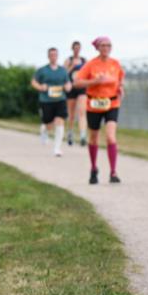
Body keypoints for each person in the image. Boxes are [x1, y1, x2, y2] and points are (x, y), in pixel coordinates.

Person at [73, 36, 124, 184]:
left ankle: (113, 172)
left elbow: (120, 79)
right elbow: (77, 83)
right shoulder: (90, 65)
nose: (106, 48)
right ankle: (94, 168)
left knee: (110, 137)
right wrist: (94, 81)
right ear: (97, 47)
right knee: (93, 137)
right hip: (94, 104)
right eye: (103, 45)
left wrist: (121, 87)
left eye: (109, 45)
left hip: (112, 103)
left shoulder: (115, 64)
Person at [31, 47, 71, 157]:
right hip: (46, 100)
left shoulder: (62, 70)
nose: (53, 56)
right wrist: (40, 87)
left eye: (55, 54)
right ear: (48, 56)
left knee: (60, 121)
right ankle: (44, 130)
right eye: (51, 55)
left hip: (60, 99)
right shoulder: (43, 70)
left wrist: (68, 86)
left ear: (57, 56)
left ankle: (57, 148)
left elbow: (68, 83)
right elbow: (33, 82)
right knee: (48, 124)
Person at [64, 40, 88, 146]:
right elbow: (63, 74)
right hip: (71, 88)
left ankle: (83, 135)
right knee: (71, 114)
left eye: (79, 48)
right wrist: (72, 67)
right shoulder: (68, 60)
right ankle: (70, 133)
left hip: (81, 87)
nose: (77, 50)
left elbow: (88, 72)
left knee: (82, 112)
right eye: (75, 48)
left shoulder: (84, 60)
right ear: (72, 49)